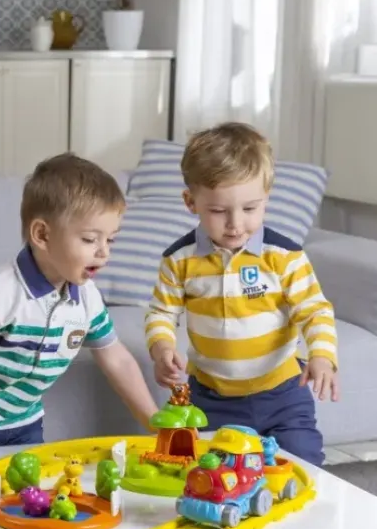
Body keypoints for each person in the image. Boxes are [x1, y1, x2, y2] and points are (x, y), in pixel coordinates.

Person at [0, 152, 159, 462]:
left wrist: (155, 423)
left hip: (24, 423)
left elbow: (117, 358)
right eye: (90, 239)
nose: (104, 253)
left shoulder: (88, 299)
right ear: (42, 235)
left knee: (28, 489)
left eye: (110, 240)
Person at [144, 122, 337, 467]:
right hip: (211, 399)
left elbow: (314, 311)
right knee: (213, 475)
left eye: (250, 209)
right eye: (219, 211)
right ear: (191, 202)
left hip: (283, 394)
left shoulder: (284, 256)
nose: (235, 224)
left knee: (303, 465)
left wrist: (322, 356)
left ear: (266, 199)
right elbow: (161, 313)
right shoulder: (179, 260)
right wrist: (162, 348)